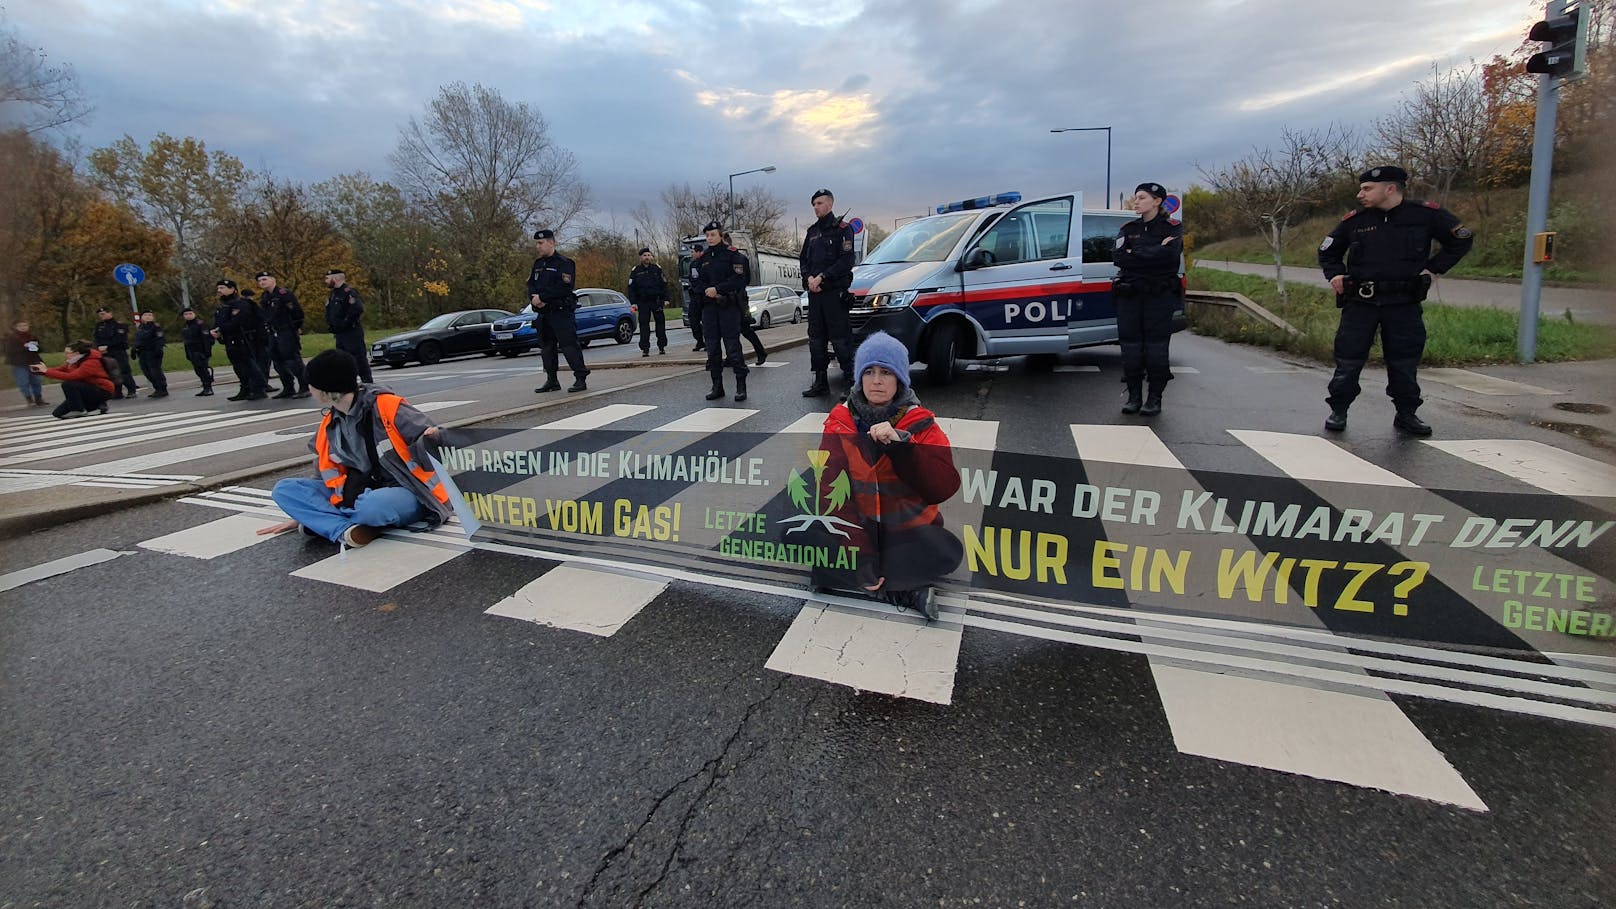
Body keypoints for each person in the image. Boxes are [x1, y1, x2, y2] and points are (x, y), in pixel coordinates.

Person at [811, 331, 962, 621]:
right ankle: (903, 588)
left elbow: (941, 487)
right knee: (798, 535)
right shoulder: (839, 422)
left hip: (906, 531)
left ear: (900, 380)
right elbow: (831, 493)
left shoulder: (922, 424)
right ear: (859, 378)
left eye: (885, 372)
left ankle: (851, 578)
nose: (876, 380)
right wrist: (861, 552)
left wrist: (902, 448)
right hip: (859, 527)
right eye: (868, 371)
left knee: (946, 549)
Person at [1318, 165, 1474, 436]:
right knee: (1349, 360)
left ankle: (1407, 414)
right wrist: (1335, 276)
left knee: (1404, 361)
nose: (1360, 194)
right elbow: (1328, 252)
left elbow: (1460, 240)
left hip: (1404, 303)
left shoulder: (1424, 216)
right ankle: (1338, 410)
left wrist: (1434, 270)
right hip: (1362, 303)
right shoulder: (1356, 221)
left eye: (1367, 189)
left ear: (1390, 188)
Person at [256, 349, 453, 548]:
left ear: (326, 390)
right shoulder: (329, 423)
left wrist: (434, 437)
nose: (309, 388)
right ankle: (346, 529)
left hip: (405, 490)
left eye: (312, 384)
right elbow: (323, 475)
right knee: (285, 490)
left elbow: (437, 444)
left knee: (372, 506)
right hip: (354, 491)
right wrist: (303, 512)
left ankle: (331, 524)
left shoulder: (387, 406)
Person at [1113, 182, 1183, 416]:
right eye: (1136, 197)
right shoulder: (1128, 227)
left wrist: (1138, 252)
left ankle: (1154, 398)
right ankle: (1134, 397)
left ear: (1157, 201)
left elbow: (1169, 257)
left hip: (1159, 296)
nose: (1136, 201)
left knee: (1156, 349)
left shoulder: (1172, 228)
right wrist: (1153, 251)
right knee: (1130, 347)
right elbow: (1119, 258)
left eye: (1142, 197)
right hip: (1130, 295)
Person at [798, 188, 856, 397]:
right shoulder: (812, 232)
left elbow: (847, 260)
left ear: (830, 204)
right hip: (815, 295)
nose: (816, 207)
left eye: (820, 203)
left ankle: (851, 383)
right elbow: (804, 260)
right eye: (814, 204)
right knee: (816, 339)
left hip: (834, 293)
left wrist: (823, 276)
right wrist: (809, 279)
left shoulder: (842, 229)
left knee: (840, 339)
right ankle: (820, 382)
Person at [690, 221, 750, 402]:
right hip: (709, 308)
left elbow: (740, 278)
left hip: (728, 306)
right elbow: (695, 282)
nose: (710, 238)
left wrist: (718, 289)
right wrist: (708, 291)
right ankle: (717, 386)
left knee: (732, 347)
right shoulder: (703, 259)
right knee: (712, 348)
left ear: (721, 236)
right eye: (707, 235)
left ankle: (741, 385)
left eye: (713, 235)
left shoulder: (733, 256)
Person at [526, 228, 589, 393]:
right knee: (547, 347)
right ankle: (552, 380)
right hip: (543, 313)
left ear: (551, 243)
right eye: (536, 244)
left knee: (569, 345)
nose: (538, 247)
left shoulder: (564, 263)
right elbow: (531, 284)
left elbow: (564, 287)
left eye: (541, 243)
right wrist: (534, 298)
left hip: (561, 312)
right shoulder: (538, 264)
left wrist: (543, 297)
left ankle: (580, 378)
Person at [211, 279, 269, 401]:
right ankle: (245, 388)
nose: (219, 291)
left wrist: (221, 329)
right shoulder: (223, 305)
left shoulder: (240, 304)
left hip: (242, 338)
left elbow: (238, 322)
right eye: (218, 288)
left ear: (232, 289)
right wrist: (216, 330)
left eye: (222, 288)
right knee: (238, 366)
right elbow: (219, 320)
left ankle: (259, 388)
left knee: (248, 364)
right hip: (229, 339)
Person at [257, 271, 309, 398]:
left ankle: (304, 386)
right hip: (273, 332)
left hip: (286, 331)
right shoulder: (265, 297)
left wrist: (294, 328)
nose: (261, 282)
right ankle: (288, 387)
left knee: (292, 360)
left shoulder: (283, 294)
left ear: (273, 280)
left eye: (264, 279)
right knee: (277, 361)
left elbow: (297, 314)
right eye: (259, 281)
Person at [31, 340, 114, 419]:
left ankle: (79, 410)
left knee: (68, 384)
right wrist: (42, 371)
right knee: (58, 413)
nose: (65, 355)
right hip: (86, 389)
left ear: (76, 353)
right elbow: (60, 369)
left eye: (67, 353)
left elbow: (71, 376)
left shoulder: (91, 362)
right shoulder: (72, 361)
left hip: (102, 389)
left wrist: (46, 371)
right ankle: (97, 404)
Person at [724, 232, 768, 366]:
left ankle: (760, 352)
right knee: (730, 330)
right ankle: (732, 356)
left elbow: (744, 279)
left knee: (745, 330)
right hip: (727, 299)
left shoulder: (738, 258)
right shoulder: (722, 260)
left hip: (738, 300)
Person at [323, 269, 373, 384]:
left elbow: (356, 309)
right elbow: (330, 312)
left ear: (335, 278)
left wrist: (345, 323)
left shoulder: (348, 292)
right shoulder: (333, 294)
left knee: (358, 359)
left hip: (351, 332)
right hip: (339, 334)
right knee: (343, 360)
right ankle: (349, 384)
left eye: (327, 278)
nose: (326, 281)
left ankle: (367, 384)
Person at [627, 247, 669, 357]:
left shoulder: (657, 269)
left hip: (656, 300)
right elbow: (631, 288)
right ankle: (645, 349)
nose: (647, 257)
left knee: (660, 324)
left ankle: (662, 346)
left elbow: (664, 284)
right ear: (640, 257)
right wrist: (633, 302)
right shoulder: (636, 271)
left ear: (651, 257)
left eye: (648, 255)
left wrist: (666, 299)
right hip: (643, 302)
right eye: (644, 255)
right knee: (644, 325)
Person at [91, 306, 139, 399]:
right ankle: (117, 392)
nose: (102, 316)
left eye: (103, 314)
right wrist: (98, 347)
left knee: (123, 371)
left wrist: (107, 346)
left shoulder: (119, 325)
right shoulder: (99, 326)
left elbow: (120, 339)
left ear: (110, 313)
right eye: (100, 314)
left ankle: (131, 390)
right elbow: (96, 339)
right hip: (105, 353)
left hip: (118, 351)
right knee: (110, 373)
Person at [5, 318, 45, 406]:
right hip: (19, 362)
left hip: (34, 360)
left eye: (25, 325)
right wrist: (25, 347)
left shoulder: (32, 336)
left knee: (37, 380)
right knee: (23, 381)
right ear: (16, 327)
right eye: (21, 326)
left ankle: (38, 398)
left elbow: (40, 349)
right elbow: (9, 351)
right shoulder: (12, 338)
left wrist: (35, 347)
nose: (23, 327)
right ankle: (29, 399)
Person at [130, 310, 169, 398]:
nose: (148, 316)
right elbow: (138, 340)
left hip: (152, 351)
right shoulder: (141, 328)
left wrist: (158, 350)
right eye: (145, 315)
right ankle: (157, 387)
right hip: (142, 352)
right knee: (146, 371)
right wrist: (134, 349)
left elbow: (160, 339)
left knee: (155, 371)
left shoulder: (155, 327)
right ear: (141, 317)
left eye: (150, 315)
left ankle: (162, 388)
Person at [180, 306, 216, 396]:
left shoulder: (200, 324)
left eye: (190, 314)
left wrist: (207, 352)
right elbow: (186, 341)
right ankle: (205, 387)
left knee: (203, 369)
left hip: (200, 350)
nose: (188, 316)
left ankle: (208, 388)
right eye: (186, 314)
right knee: (198, 370)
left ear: (194, 314)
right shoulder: (186, 326)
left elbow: (206, 339)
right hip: (191, 350)